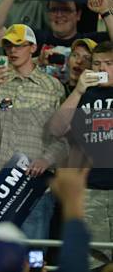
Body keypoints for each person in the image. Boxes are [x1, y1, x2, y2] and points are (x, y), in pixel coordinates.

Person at [0, 24, 67, 239]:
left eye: (19, 45)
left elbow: (65, 136)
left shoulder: (53, 87)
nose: (12, 50)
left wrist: (47, 159)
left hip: (35, 186)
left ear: (33, 47)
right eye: (8, 45)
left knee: (33, 256)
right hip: (0, 184)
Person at [49, 41, 113, 270]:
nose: (102, 69)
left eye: (109, 63)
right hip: (91, 190)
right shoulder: (84, 93)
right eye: (97, 63)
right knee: (92, 261)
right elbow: (56, 129)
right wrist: (77, 91)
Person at [0, 0, 113, 83]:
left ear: (78, 15)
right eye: (54, 9)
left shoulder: (92, 41)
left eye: (66, 10)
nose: (59, 15)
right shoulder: (35, 38)